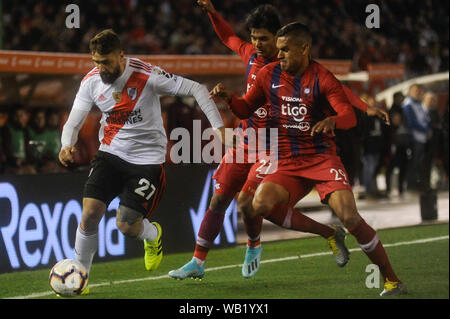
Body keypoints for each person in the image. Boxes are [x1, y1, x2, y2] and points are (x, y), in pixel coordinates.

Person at [211, 22, 406, 296]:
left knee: (349, 216)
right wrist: (230, 99)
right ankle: (330, 233)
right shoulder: (269, 75)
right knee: (260, 204)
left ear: (304, 48)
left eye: (285, 50)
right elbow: (245, 109)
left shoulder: (323, 78)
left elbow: (348, 116)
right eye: (277, 50)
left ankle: (391, 280)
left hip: (321, 160)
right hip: (289, 160)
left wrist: (332, 121)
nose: (278, 56)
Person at [169, 1, 351, 281]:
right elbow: (229, 38)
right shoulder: (251, 55)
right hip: (246, 139)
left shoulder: (291, 68)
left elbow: (324, 90)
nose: (257, 43)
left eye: (263, 38)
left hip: (273, 144)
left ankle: (258, 244)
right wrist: (213, 14)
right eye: (254, 37)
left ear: (278, 37)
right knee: (218, 201)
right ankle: (197, 261)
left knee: (247, 202)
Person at [58, 29, 226, 293]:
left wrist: (219, 128)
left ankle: (152, 234)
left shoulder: (147, 75)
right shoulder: (91, 81)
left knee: (125, 225)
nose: (101, 67)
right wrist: (66, 145)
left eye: (106, 61)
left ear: (121, 55)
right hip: (110, 154)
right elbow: (73, 122)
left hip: (147, 161)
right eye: (96, 62)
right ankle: (80, 278)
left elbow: (197, 89)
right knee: (90, 214)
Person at [402, 84, 430, 191]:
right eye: (415, 90)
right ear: (410, 91)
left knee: (419, 163)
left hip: (422, 138)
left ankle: (416, 184)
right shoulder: (408, 104)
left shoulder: (418, 104)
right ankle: (411, 185)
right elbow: (411, 122)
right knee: (414, 163)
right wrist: (425, 130)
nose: (417, 92)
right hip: (414, 138)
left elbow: (424, 119)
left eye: (419, 90)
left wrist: (428, 130)